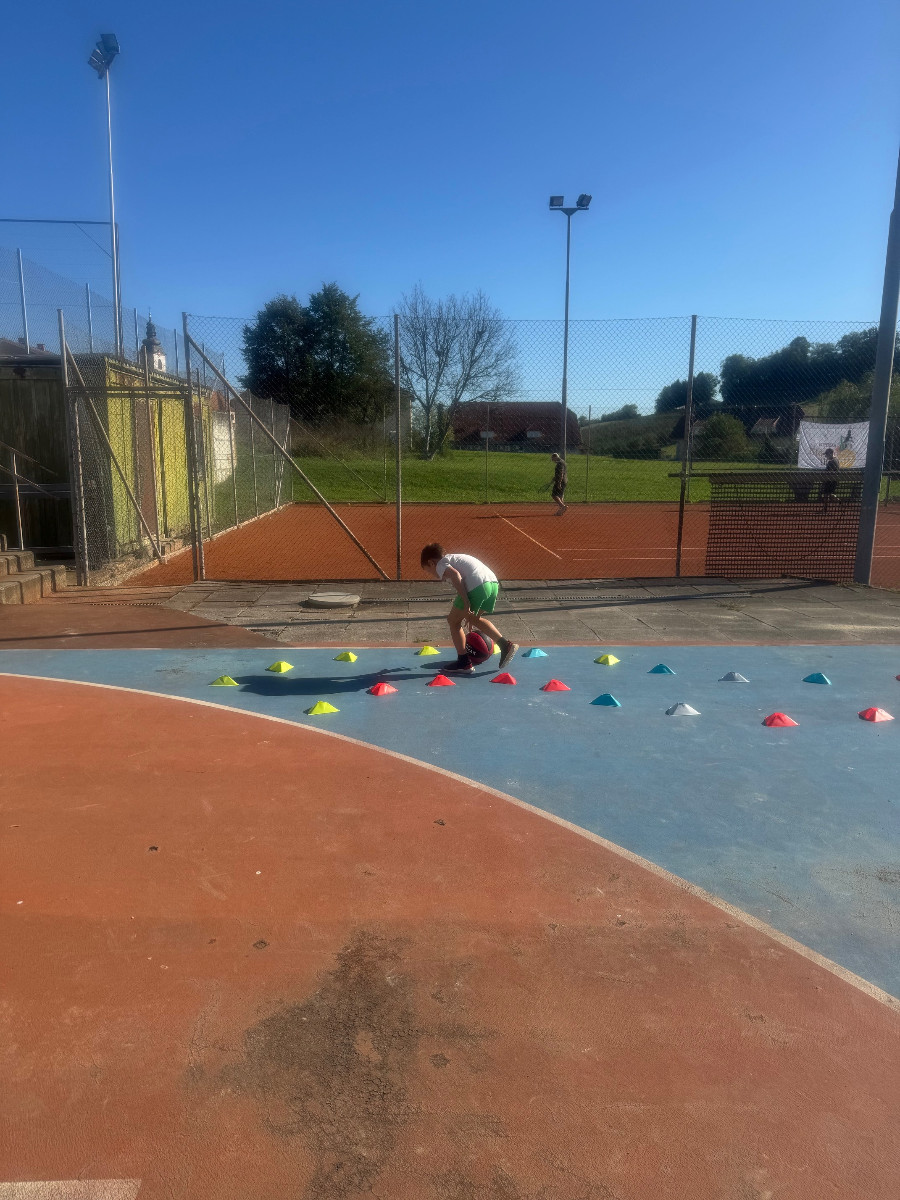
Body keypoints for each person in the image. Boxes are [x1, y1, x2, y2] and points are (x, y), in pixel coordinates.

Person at [420, 543, 519, 673]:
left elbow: (455, 575)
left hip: (476, 586)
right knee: (474, 619)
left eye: (428, 570)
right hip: (492, 584)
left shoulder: (440, 564)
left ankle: (464, 662)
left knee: (453, 621)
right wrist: (470, 615)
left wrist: (466, 601)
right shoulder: (453, 558)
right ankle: (505, 645)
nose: (432, 574)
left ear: (431, 563)